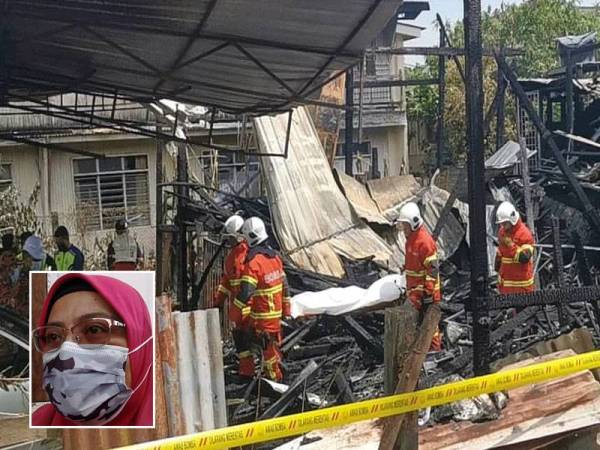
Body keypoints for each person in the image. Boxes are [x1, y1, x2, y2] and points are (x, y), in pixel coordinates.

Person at [31, 273, 153, 426]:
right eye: (53, 337)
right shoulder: (39, 426)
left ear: (139, 340)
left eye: (94, 330)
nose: (66, 351)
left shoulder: (177, 427)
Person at [230, 217, 291, 381]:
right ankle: (261, 374)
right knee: (268, 348)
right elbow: (285, 285)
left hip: (262, 319)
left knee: (265, 351)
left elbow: (246, 292)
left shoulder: (254, 262)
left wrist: (234, 313)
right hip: (274, 317)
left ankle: (275, 382)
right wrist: (287, 309)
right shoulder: (275, 258)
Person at [397, 202, 442, 351]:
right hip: (415, 291)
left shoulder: (425, 242)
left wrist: (428, 292)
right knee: (417, 324)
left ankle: (435, 353)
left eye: (405, 225)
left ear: (414, 223)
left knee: (429, 326)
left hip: (425, 292)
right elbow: (416, 262)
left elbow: (433, 269)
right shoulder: (411, 239)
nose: (403, 228)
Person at [212, 215, 254, 376]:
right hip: (239, 308)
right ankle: (247, 373)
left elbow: (250, 286)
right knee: (241, 341)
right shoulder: (231, 258)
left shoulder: (249, 254)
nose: (228, 241)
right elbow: (226, 282)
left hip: (252, 308)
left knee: (259, 342)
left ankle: (269, 378)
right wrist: (218, 302)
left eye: (230, 237)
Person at [495, 201, 535, 294]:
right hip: (505, 287)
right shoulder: (502, 231)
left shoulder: (525, 234)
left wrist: (511, 245)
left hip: (521, 288)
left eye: (505, 223)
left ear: (512, 219)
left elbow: (524, 258)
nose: (503, 226)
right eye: (501, 223)